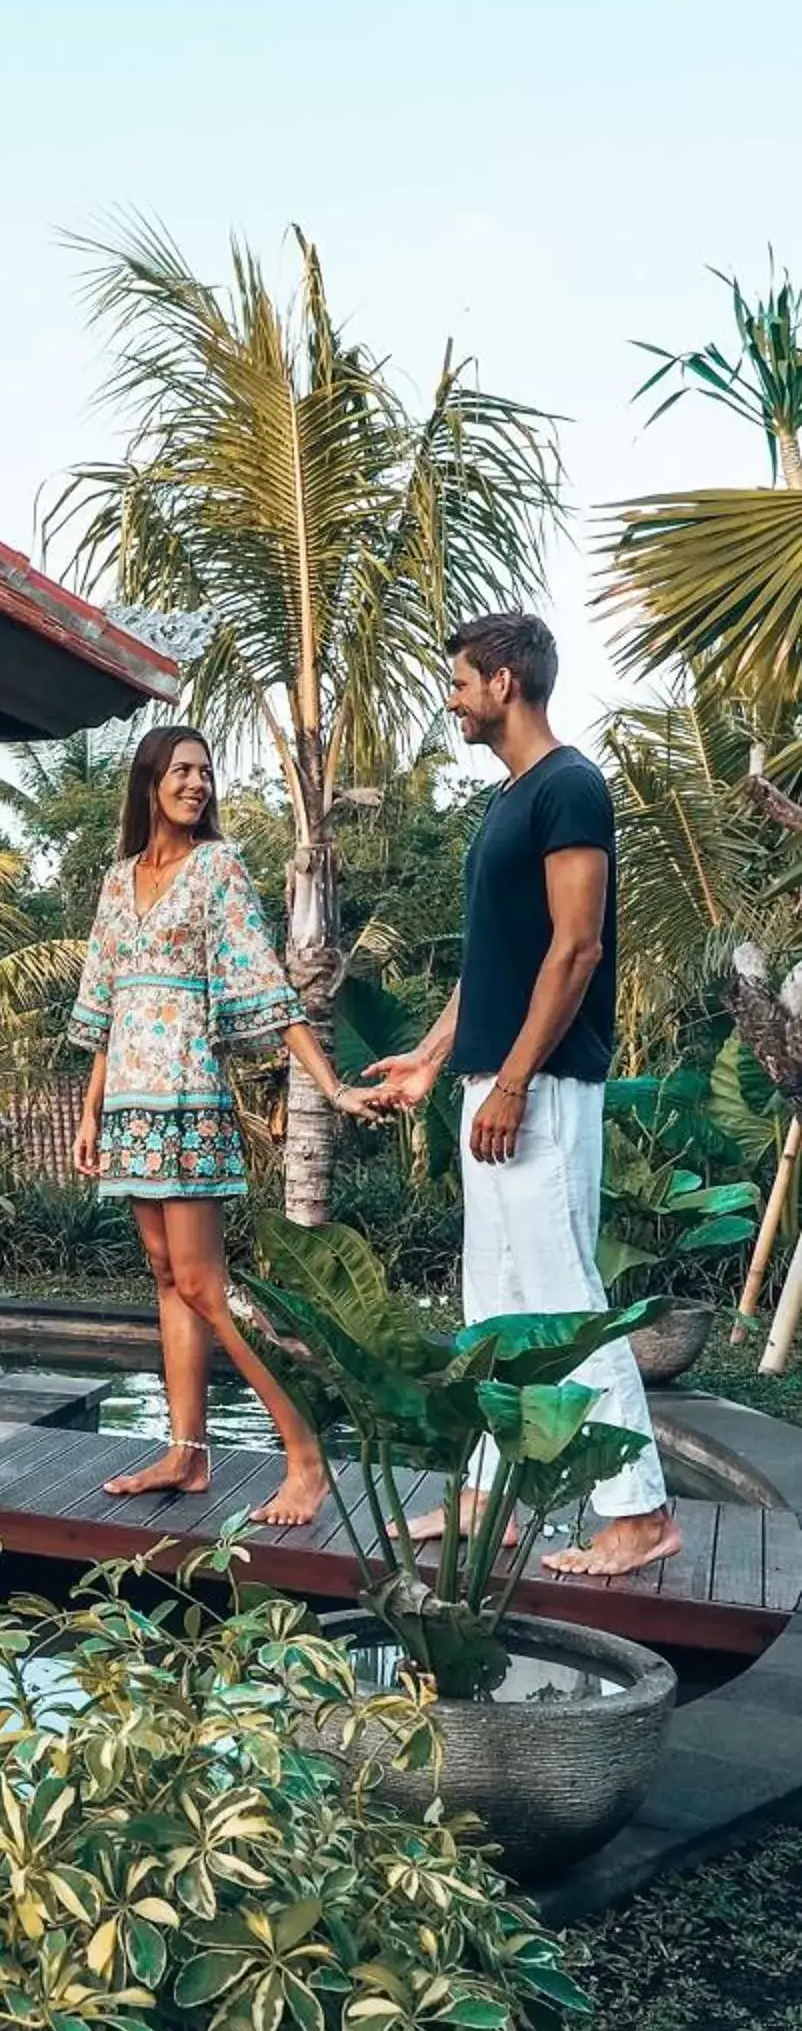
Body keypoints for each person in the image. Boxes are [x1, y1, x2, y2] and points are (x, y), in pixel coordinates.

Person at [362, 612, 679, 1580]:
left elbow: (574, 951)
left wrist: (513, 1080)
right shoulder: (507, 802)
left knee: (563, 1300)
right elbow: (496, 968)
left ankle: (641, 1512)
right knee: (493, 1303)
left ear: (505, 682)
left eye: (460, 680)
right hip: (494, 1086)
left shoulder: (570, 788)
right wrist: (427, 1059)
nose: (451, 698)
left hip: (538, 1092)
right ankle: (486, 1500)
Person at [69, 724, 378, 1527]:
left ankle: (304, 1454)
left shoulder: (219, 868)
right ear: (149, 783)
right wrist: (92, 1106)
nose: (197, 784)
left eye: (205, 772)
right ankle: (187, 1456)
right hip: (132, 1104)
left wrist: (332, 1088)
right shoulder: (116, 881)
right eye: (182, 771)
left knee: (205, 1283)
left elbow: (267, 987)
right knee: (167, 1278)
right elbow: (103, 1004)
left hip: (188, 1097)